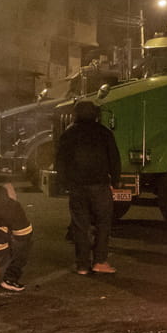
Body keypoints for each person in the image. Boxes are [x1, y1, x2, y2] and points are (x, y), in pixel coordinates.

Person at [55, 99, 121, 275]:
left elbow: (60, 161)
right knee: (103, 224)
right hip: (99, 185)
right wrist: (116, 182)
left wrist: (64, 183)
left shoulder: (68, 134)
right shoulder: (104, 133)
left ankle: (82, 265)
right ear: (95, 114)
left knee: (80, 225)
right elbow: (114, 159)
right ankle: (100, 261)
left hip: (77, 186)